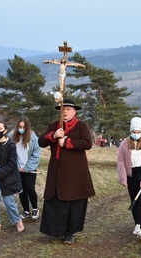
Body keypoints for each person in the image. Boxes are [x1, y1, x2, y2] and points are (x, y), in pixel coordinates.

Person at [38, 99, 95, 244]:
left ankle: (70, 232)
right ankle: (56, 231)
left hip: (75, 173)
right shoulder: (54, 126)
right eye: (63, 109)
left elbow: (88, 143)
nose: (65, 111)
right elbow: (41, 141)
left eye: (68, 109)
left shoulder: (81, 126)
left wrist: (68, 142)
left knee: (73, 203)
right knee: (55, 200)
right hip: (56, 171)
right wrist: (54, 136)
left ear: (74, 111)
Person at [0, 121, 24, 232]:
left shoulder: (10, 145)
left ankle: (17, 221)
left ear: (5, 130)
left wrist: (0, 173)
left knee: (8, 202)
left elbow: (12, 164)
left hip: (8, 176)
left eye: (0, 128)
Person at [117, 117, 141, 239]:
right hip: (131, 175)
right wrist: (123, 179)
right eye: (134, 132)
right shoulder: (124, 144)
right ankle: (137, 223)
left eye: (138, 132)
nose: (136, 134)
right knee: (134, 201)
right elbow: (120, 162)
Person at [8, 116, 42, 220]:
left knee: (30, 188)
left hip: (29, 169)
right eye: (19, 127)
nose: (21, 129)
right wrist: (16, 167)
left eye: (23, 127)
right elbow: (10, 153)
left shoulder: (33, 137)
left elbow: (36, 154)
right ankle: (26, 210)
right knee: (21, 190)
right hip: (17, 169)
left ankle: (35, 208)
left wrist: (27, 167)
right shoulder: (11, 136)